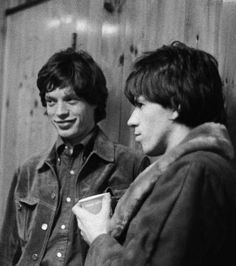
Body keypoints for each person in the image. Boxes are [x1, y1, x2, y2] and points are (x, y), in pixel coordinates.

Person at [72, 41, 236, 266]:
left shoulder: (192, 170)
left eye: (140, 105)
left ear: (177, 104)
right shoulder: (201, 166)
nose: (131, 120)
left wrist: (98, 238)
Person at [0, 48, 150, 265]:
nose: (59, 112)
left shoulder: (131, 164)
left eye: (70, 100)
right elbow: (8, 252)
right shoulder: (29, 169)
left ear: (94, 101)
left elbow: (141, 252)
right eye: (51, 101)